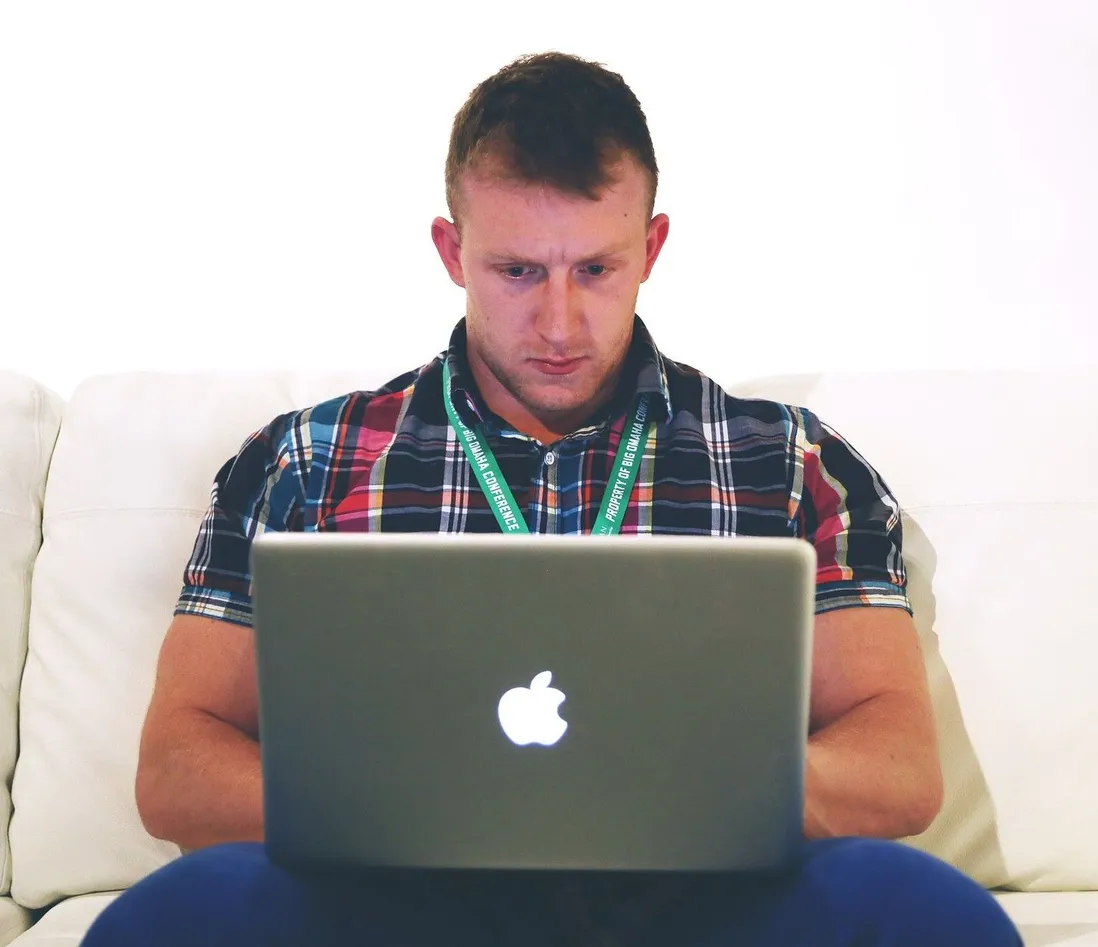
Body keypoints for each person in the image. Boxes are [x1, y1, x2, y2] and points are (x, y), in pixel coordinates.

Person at [81, 51, 1022, 947]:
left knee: (930, 912)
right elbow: (176, 768)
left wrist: (695, 790)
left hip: (697, 907)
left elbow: (899, 765)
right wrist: (421, 802)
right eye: (518, 271)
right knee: (166, 918)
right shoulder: (304, 460)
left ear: (651, 246)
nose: (560, 322)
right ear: (453, 250)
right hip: (396, 906)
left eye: (597, 270)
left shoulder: (791, 460)